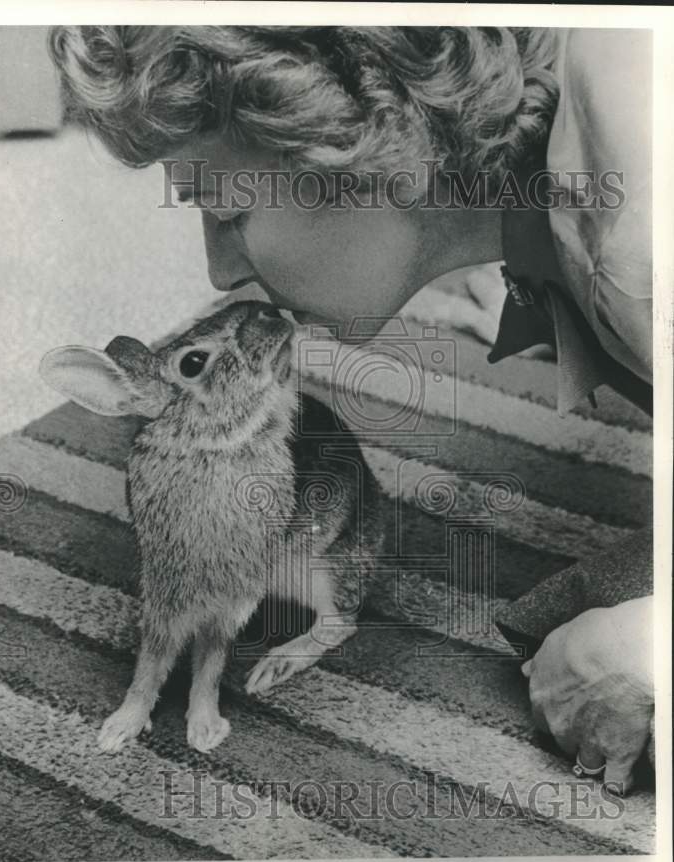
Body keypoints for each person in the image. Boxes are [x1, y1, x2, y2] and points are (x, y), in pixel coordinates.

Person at [47, 25, 655, 792]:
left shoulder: (642, 257)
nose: (221, 270)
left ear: (365, 145)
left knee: (591, 655)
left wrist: (636, 657)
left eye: (229, 208)